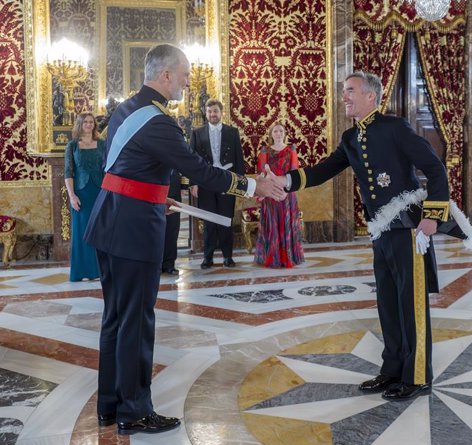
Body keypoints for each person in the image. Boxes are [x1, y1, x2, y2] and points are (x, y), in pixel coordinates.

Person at [83, 43, 285, 435]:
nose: (189, 83)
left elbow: (125, 166)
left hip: (110, 222)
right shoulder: (159, 122)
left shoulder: (126, 108)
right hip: (132, 231)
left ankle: (111, 405)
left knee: (116, 319)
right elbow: (199, 170)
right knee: (136, 322)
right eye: (186, 75)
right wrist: (251, 186)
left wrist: (157, 195)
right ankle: (134, 411)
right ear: (165, 76)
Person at [270, 71, 457, 401]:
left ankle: (416, 377)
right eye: (343, 91)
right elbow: (322, 169)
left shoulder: (395, 128)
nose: (345, 96)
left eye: (350, 91)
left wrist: (432, 216)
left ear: (371, 96)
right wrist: (285, 181)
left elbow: (436, 168)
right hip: (380, 231)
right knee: (387, 302)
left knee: (410, 305)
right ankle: (392, 369)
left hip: (408, 230)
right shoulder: (351, 138)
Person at [190, 99, 245, 269]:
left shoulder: (232, 132)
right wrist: (193, 183)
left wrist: (239, 183)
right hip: (206, 182)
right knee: (209, 221)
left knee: (225, 219)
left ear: (221, 113)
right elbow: (192, 161)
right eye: (209, 111)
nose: (213, 114)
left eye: (215, 111)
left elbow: (238, 159)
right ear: (205, 114)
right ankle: (208, 257)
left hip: (227, 180)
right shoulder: (197, 133)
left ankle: (228, 257)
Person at [254, 122, 304, 268]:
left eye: (281, 131)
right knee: (272, 224)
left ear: (285, 133)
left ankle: (287, 257)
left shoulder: (291, 150)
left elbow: (294, 172)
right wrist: (266, 189)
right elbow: (261, 174)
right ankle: (273, 257)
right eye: (275, 131)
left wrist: (285, 189)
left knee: (286, 223)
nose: (278, 133)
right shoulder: (265, 151)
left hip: (286, 192)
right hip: (270, 193)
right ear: (271, 134)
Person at [64, 113, 105, 282]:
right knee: (81, 230)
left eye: (91, 122)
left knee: (100, 230)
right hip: (81, 193)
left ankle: (100, 270)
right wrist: (72, 195)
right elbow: (68, 172)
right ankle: (81, 271)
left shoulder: (102, 144)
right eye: (85, 122)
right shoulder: (72, 145)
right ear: (79, 124)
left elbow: (108, 168)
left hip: (100, 191)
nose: (88, 124)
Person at [161, 170, 181, 275]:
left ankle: (169, 264)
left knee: (172, 230)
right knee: (156, 232)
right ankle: (157, 264)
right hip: (155, 193)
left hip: (173, 193)